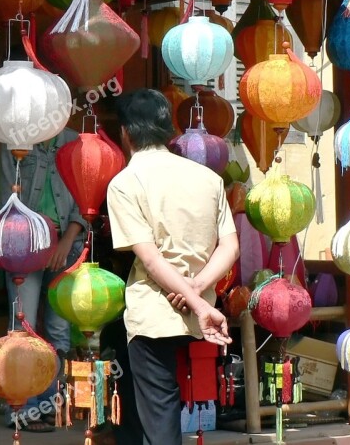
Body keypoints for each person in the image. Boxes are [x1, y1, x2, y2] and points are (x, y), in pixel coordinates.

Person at [106, 89, 240, 445]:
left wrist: (191, 298)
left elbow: (149, 258)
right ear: (169, 131)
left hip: (155, 313)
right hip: (199, 312)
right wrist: (197, 291)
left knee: (158, 418)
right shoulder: (208, 178)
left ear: (126, 133)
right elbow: (230, 246)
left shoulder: (124, 183)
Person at [0, 127, 87, 433]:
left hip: (66, 244)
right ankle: (21, 406)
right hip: (25, 243)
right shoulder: (16, 139)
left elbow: (85, 197)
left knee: (59, 331)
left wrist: (65, 242)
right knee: (21, 327)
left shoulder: (75, 142)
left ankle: (50, 402)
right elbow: (6, 199)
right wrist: (28, 241)